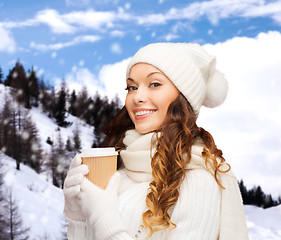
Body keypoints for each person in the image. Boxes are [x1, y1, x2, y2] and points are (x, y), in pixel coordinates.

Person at [63, 42, 249, 240]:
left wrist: (103, 217)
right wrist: (78, 214)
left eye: (155, 84)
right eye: (132, 87)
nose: (137, 97)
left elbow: (105, 223)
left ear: (183, 98)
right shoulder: (122, 169)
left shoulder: (197, 180)